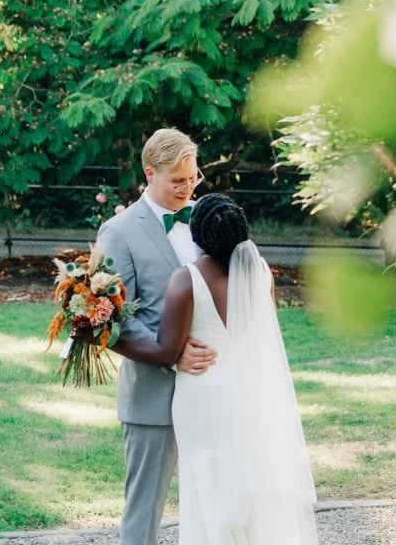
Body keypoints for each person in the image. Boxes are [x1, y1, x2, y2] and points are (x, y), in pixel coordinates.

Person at [122, 193, 319, 545]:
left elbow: (167, 349)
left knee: (208, 488)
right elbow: (262, 332)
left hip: (203, 395)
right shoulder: (261, 271)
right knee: (250, 484)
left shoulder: (187, 280)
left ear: (197, 236)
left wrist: (109, 335)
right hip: (250, 393)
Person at [97, 128, 218, 545]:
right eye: (177, 181)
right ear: (150, 174)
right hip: (153, 395)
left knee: (217, 499)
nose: (188, 188)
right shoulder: (118, 232)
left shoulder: (206, 216)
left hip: (215, 383)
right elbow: (115, 321)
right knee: (145, 509)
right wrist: (171, 355)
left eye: (193, 178)